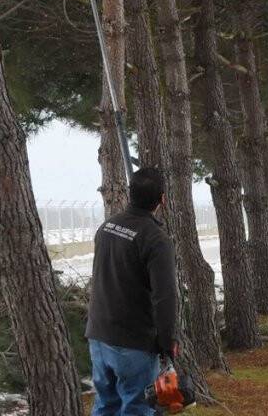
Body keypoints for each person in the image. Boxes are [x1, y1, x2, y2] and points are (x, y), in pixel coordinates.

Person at [86, 167, 178, 416]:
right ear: (162, 199)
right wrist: (168, 342)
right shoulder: (156, 239)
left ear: (130, 194)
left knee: (106, 404)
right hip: (132, 343)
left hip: (98, 335)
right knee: (137, 408)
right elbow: (165, 297)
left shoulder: (106, 227)